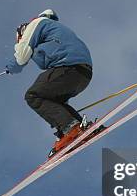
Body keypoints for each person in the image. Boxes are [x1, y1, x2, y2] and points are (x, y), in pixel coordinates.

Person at [6, 9, 93, 157]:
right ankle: (79, 128)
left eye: (19, 39)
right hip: (82, 74)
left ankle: (71, 129)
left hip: (69, 67)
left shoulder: (37, 23)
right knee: (53, 100)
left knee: (33, 96)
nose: (20, 41)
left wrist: (13, 65)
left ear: (22, 31)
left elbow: (21, 56)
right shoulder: (51, 32)